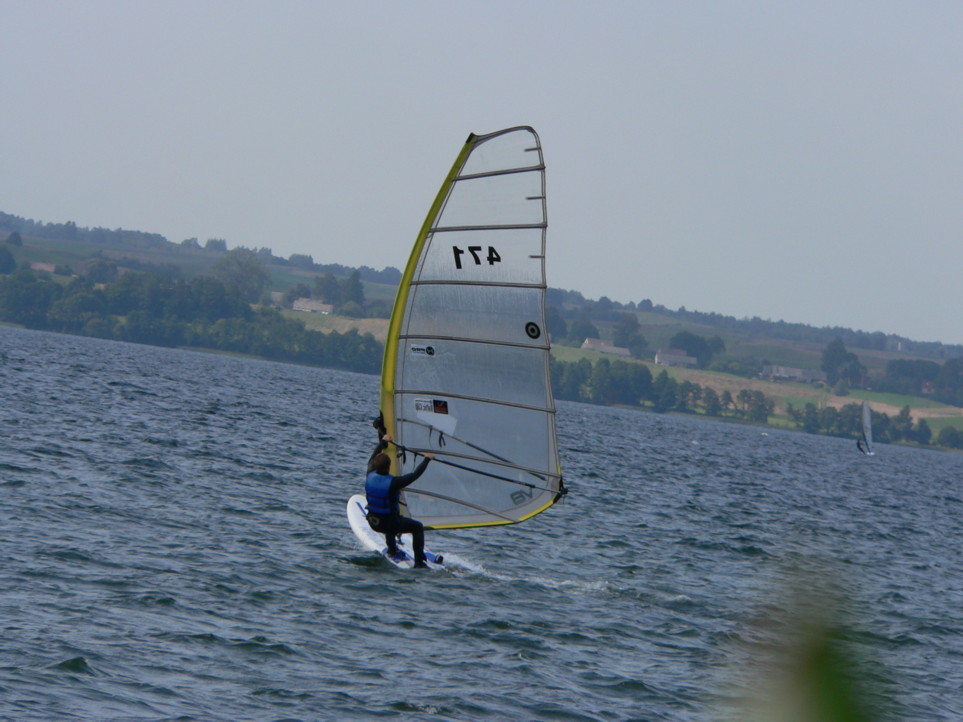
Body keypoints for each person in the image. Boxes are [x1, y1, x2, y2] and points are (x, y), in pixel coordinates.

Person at [365, 417, 434, 568]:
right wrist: (427, 459)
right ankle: (419, 562)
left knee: (390, 519)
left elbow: (374, 455)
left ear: (375, 465)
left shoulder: (369, 473)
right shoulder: (394, 483)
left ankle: (392, 549)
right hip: (389, 524)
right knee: (417, 527)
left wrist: (383, 442)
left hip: (373, 522)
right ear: (389, 467)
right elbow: (415, 475)